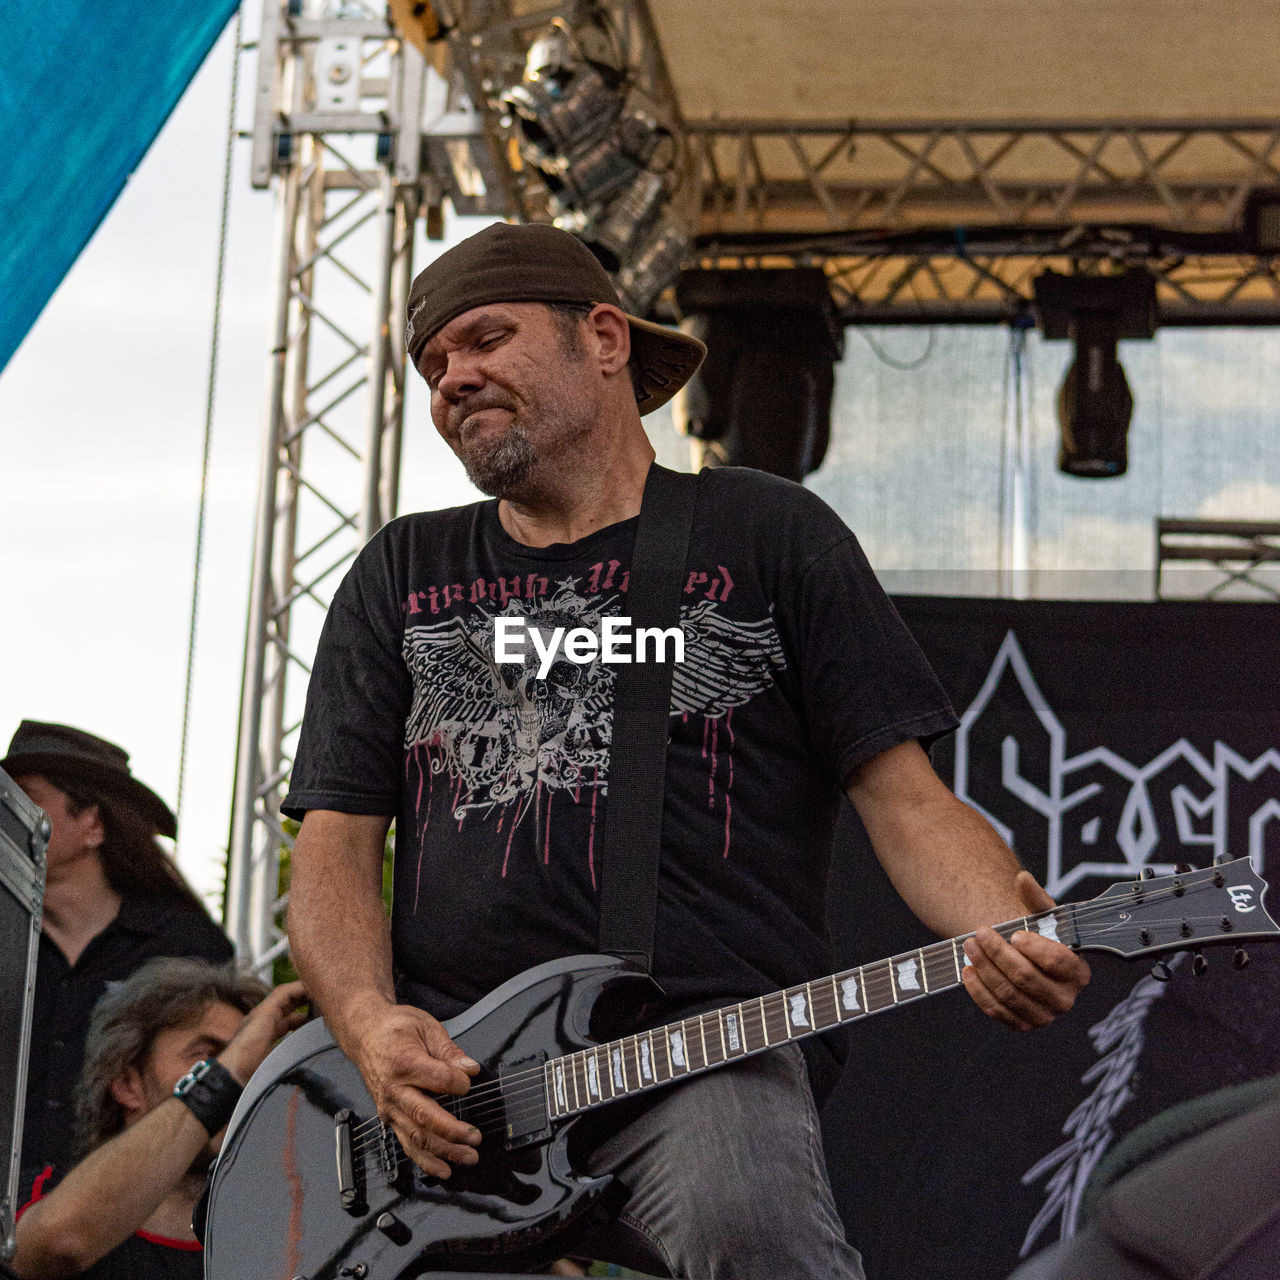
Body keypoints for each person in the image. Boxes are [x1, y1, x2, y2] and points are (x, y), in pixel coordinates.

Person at [282, 221, 1092, 1279]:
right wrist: (369, 1023)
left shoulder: (767, 534)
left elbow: (904, 800)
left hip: (701, 1049)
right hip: (459, 1080)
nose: (453, 378)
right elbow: (334, 846)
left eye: (485, 339)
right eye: (434, 364)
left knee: (745, 1225)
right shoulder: (403, 569)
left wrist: (997, 925)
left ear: (604, 339)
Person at [2, 722, 234, 1194]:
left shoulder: (184, 944)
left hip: (124, 1216)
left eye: (24, 798)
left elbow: (218, 1082)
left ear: (93, 825)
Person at [11, 958, 306, 1279]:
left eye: (252, 1064)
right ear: (128, 1085)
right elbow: (55, 1244)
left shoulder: (282, 1244)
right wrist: (228, 1069)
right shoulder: (39, 1195)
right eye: (208, 1055)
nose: (242, 1078)